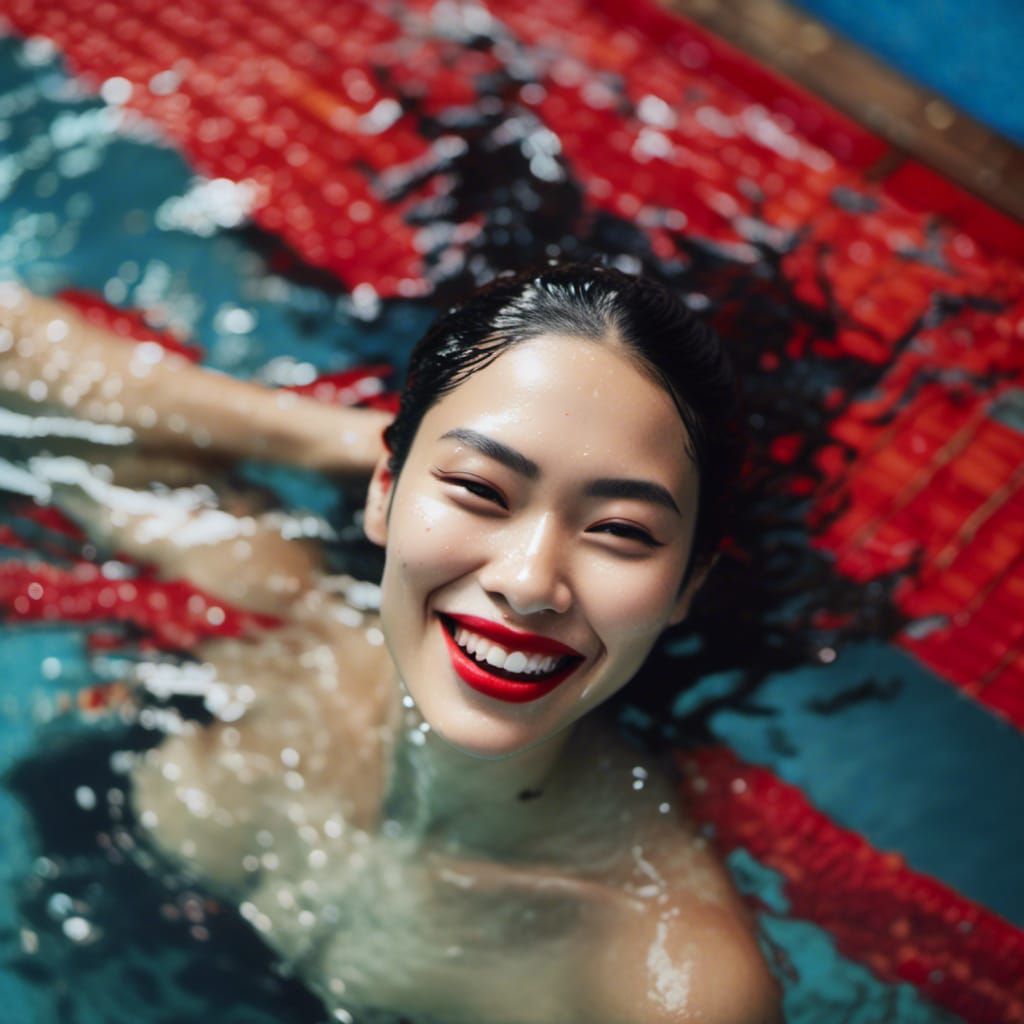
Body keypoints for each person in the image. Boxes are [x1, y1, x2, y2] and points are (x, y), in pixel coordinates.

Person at [0, 267, 781, 1024]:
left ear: (685, 586)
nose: (530, 580)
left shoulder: (667, 984)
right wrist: (328, 441)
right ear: (385, 491)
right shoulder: (288, 632)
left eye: (620, 531)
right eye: (479, 489)